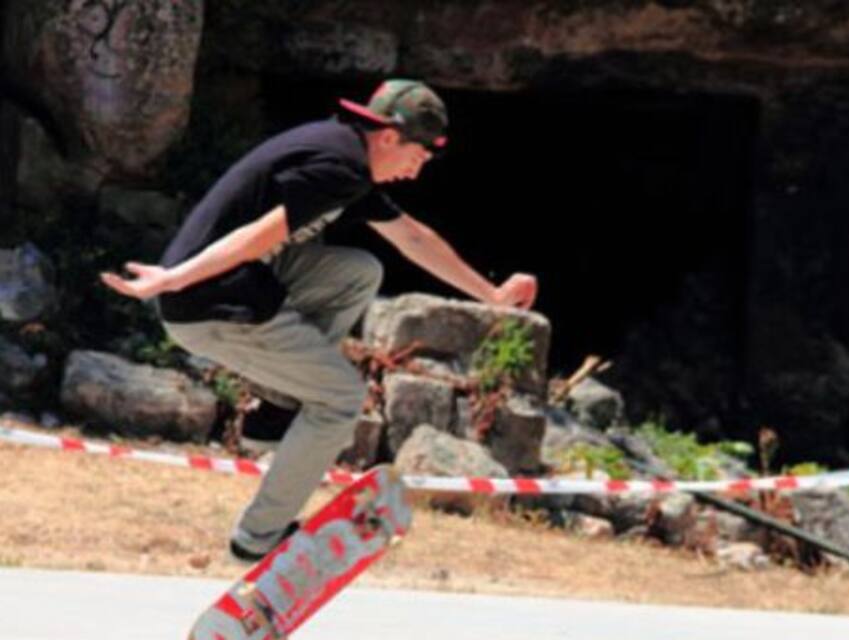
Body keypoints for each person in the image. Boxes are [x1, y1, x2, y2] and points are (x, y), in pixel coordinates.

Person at [101, 78, 537, 561]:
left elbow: (412, 237)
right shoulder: (338, 168)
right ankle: (257, 539)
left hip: (240, 283)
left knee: (357, 272)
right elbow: (253, 237)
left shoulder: (342, 153)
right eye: (418, 158)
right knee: (341, 399)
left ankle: (278, 405)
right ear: (389, 137)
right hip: (212, 303)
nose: (414, 173)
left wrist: (491, 295)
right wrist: (172, 279)